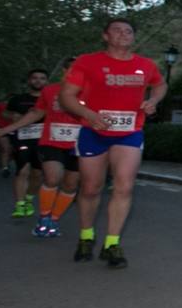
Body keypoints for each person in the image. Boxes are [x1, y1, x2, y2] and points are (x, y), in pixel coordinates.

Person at [59, 18, 167, 268]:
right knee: (90, 188)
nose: (123, 34)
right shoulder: (87, 62)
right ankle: (86, 236)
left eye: (128, 31)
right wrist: (89, 115)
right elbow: (67, 96)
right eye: (117, 30)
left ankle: (112, 243)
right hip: (93, 130)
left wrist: (153, 101)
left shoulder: (145, 65)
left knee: (124, 186)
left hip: (129, 132)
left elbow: (160, 85)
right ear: (105, 36)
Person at [0, 59, 81, 238]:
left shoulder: (93, 91)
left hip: (79, 145)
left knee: (70, 184)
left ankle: (54, 220)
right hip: (51, 142)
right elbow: (35, 113)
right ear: (64, 71)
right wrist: (5, 130)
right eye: (71, 69)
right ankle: (43, 218)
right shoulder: (50, 91)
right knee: (52, 178)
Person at [1, 68, 49, 218]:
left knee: (37, 173)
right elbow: (5, 112)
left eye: (42, 78)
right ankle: (20, 204)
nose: (38, 81)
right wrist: (13, 116)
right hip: (22, 138)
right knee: (23, 170)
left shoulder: (51, 98)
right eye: (35, 78)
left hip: (43, 140)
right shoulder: (18, 99)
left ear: (46, 81)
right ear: (29, 81)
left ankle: (29, 199)